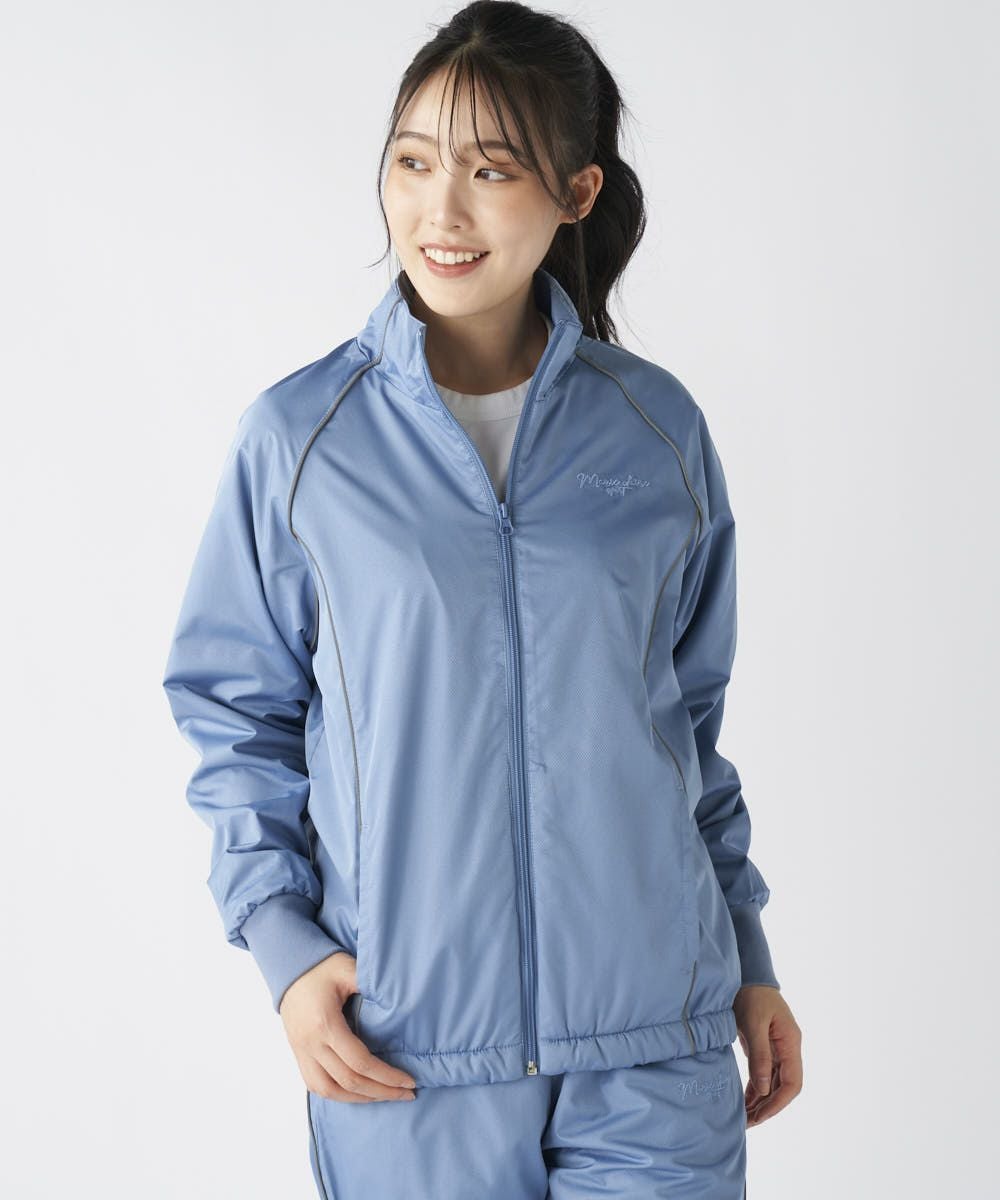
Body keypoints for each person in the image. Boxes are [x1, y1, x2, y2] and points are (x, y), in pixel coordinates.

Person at [161, 2, 803, 1195]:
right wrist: (286, 952)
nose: (440, 211)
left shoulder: (654, 431)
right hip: (408, 1057)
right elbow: (233, 715)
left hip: (655, 1046)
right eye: (413, 163)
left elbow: (688, 733)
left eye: (491, 170)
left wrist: (749, 955)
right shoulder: (302, 441)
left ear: (575, 192)